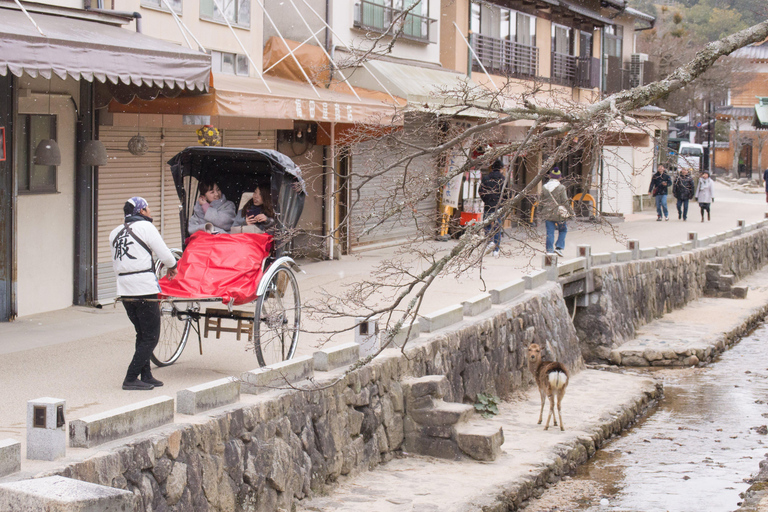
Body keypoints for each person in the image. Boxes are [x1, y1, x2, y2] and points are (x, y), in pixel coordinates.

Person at [109, 197, 178, 391]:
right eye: (148, 209)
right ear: (141, 211)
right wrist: (173, 266)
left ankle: (146, 375)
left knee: (142, 333)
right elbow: (164, 255)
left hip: (124, 289)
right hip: (144, 288)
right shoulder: (146, 228)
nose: (150, 213)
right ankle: (130, 378)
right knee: (151, 336)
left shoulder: (114, 233)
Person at [539, 168, 573, 257]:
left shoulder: (544, 187)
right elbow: (565, 201)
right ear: (559, 177)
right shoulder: (561, 188)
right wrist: (571, 211)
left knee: (550, 232)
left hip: (548, 213)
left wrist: (539, 211)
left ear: (550, 176)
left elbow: (541, 201)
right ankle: (559, 247)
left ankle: (549, 250)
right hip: (559, 214)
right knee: (563, 230)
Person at [479, 159, 506, 258]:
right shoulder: (503, 179)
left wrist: (486, 200)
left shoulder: (486, 179)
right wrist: (503, 201)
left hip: (488, 205)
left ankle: (490, 242)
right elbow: (508, 193)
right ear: (501, 169)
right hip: (499, 207)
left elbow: (480, 191)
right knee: (497, 227)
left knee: (487, 225)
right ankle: (496, 249)